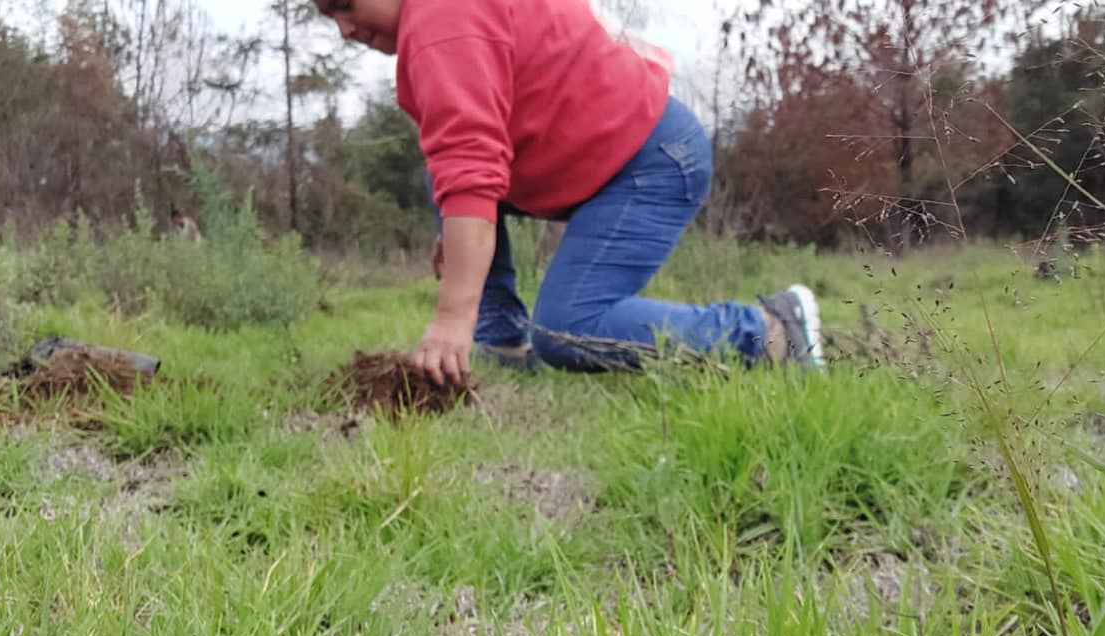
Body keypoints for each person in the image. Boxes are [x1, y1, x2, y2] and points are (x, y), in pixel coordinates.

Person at [316, 0, 824, 385]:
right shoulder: (444, 19)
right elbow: (461, 161)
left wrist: (452, 318)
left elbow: (472, 170)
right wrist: (455, 228)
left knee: (570, 326)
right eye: (326, 15)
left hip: (650, 162)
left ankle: (768, 330)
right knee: (444, 178)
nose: (343, 28)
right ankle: (502, 343)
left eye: (344, 2)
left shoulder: (440, 21)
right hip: (612, 156)